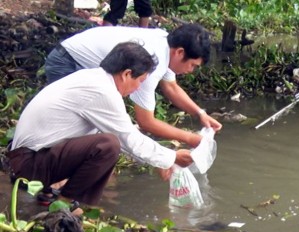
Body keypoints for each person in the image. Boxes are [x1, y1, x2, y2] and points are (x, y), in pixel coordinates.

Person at [6, 41, 193, 208]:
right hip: (28, 166)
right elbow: (126, 139)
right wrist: (172, 156)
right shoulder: (102, 92)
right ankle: (64, 205)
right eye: (140, 81)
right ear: (127, 74)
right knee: (108, 146)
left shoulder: (93, 78)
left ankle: (51, 195)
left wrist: (160, 159)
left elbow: (124, 136)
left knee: (107, 140)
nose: (138, 88)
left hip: (25, 159)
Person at [44, 24, 222, 149]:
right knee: (72, 126)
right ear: (180, 52)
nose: (191, 71)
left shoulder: (165, 45)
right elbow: (146, 122)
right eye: (193, 65)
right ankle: (49, 175)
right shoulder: (153, 60)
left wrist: (200, 114)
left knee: (96, 129)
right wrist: (190, 138)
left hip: (81, 61)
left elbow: (171, 87)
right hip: (68, 61)